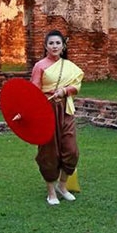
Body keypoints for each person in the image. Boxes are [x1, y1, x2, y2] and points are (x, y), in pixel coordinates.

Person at [30, 30, 83, 205]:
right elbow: (33, 91)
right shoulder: (40, 66)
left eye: (58, 43)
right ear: (46, 46)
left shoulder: (69, 66)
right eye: (51, 43)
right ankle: (51, 192)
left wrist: (65, 91)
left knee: (71, 150)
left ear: (63, 46)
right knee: (48, 152)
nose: (54, 46)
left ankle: (62, 185)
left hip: (65, 110)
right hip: (47, 110)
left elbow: (76, 86)